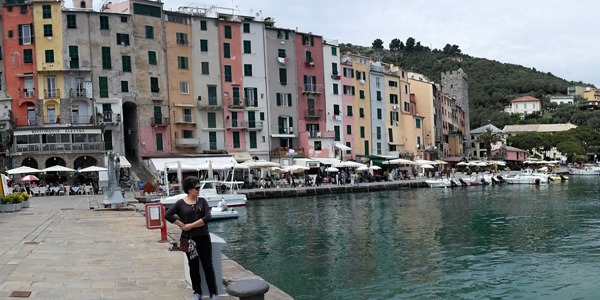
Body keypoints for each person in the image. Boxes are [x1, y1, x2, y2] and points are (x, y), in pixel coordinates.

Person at [164, 176, 219, 300]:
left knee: (208, 265)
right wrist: (182, 225)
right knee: (193, 266)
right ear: (189, 189)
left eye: (199, 187)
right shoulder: (180, 203)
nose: (199, 190)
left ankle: (213, 293)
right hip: (189, 239)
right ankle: (197, 292)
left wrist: (190, 225)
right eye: (197, 188)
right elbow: (167, 215)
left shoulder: (202, 201)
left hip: (203, 237)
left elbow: (207, 218)